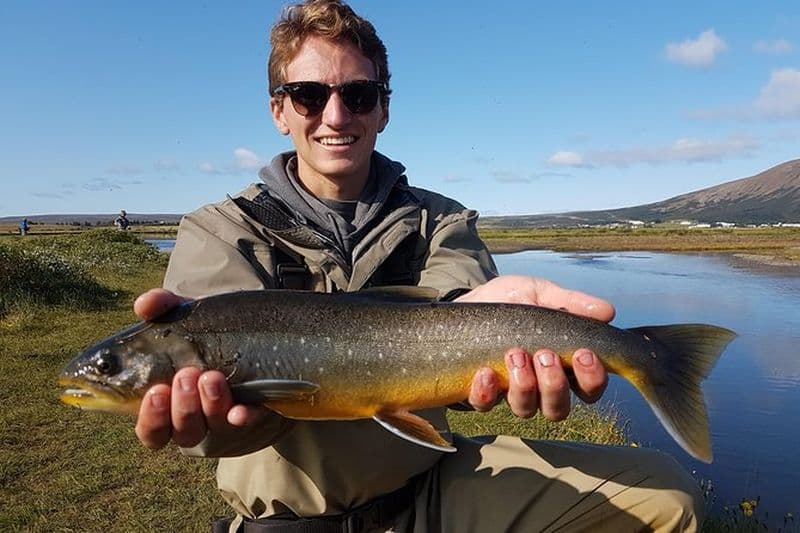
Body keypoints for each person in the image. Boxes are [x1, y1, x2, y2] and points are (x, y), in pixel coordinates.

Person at [133, 1, 705, 531]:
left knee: (667, 494)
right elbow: (211, 430)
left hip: (430, 487)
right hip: (290, 521)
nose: (336, 114)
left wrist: (489, 349)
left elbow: (463, 316)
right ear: (280, 110)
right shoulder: (220, 230)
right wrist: (214, 418)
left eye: (358, 94)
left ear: (383, 108)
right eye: (309, 94)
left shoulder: (441, 220)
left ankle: (656, 362)